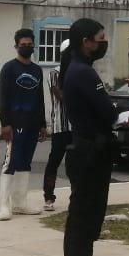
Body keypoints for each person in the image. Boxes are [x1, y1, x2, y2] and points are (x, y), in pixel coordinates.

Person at [59, 18, 127, 256]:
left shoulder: (76, 68)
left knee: (82, 229)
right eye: (101, 38)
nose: (104, 42)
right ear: (87, 41)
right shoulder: (82, 72)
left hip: (87, 153)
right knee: (82, 230)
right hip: (89, 156)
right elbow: (108, 113)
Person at [0, 28, 48, 220]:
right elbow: (2, 97)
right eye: (22, 45)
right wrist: (5, 123)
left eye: (29, 45)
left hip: (33, 123)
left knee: (25, 163)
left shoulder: (37, 70)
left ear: (33, 46)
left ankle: (20, 203)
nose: (26, 47)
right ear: (16, 46)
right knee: (10, 162)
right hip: (14, 122)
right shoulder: (9, 68)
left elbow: (40, 97)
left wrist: (43, 124)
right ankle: (4, 206)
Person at [42, 39, 72, 213]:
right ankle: (48, 196)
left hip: (76, 126)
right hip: (61, 125)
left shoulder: (80, 72)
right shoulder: (55, 73)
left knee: (75, 163)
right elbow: (60, 95)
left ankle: (76, 194)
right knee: (54, 161)